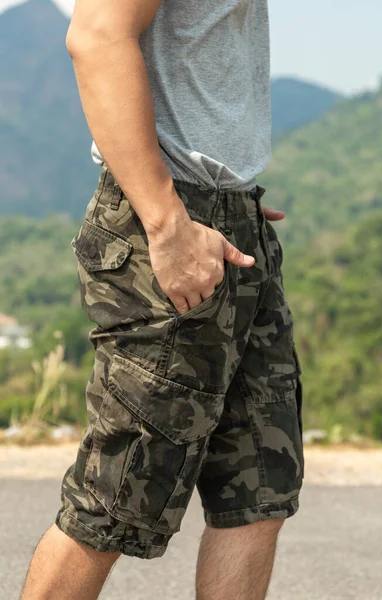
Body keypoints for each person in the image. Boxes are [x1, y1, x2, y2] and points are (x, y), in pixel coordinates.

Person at [21, 0, 304, 598]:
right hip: (167, 220)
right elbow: (97, 36)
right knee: (114, 500)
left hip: (228, 219)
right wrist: (167, 217)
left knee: (260, 488)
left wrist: (232, 198)